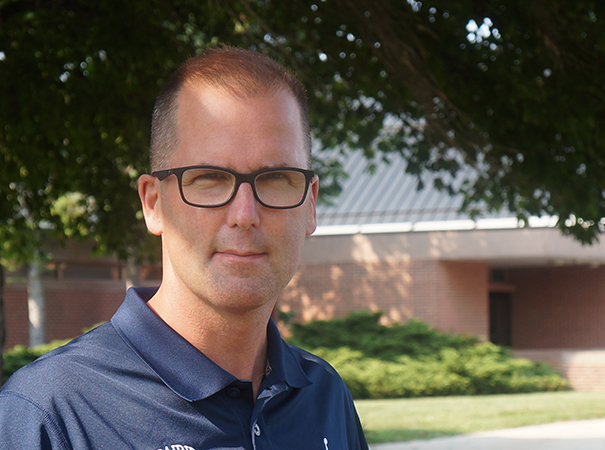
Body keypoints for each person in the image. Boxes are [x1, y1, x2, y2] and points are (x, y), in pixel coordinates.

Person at [0, 47, 369, 450]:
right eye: (209, 178)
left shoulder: (326, 396)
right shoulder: (49, 415)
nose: (244, 214)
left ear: (310, 203)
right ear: (153, 203)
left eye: (276, 177)